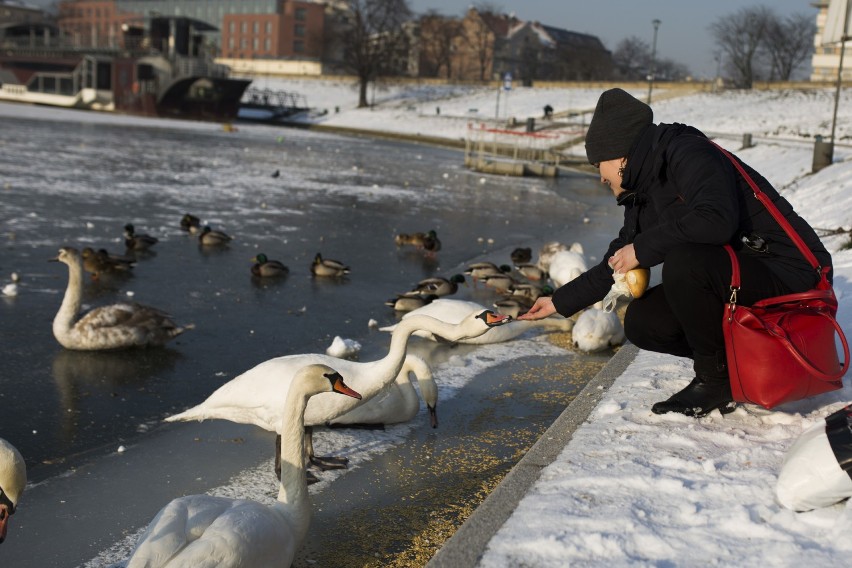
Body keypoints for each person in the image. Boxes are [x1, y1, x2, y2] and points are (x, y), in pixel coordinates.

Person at [518, 88, 832, 417]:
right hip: (741, 274)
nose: (599, 177)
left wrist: (641, 249)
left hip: (790, 272)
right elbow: (615, 261)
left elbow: (716, 220)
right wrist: (558, 301)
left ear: (619, 154)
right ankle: (738, 364)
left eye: (599, 164)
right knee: (642, 322)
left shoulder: (688, 152)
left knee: (685, 262)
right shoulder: (646, 190)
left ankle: (714, 380)